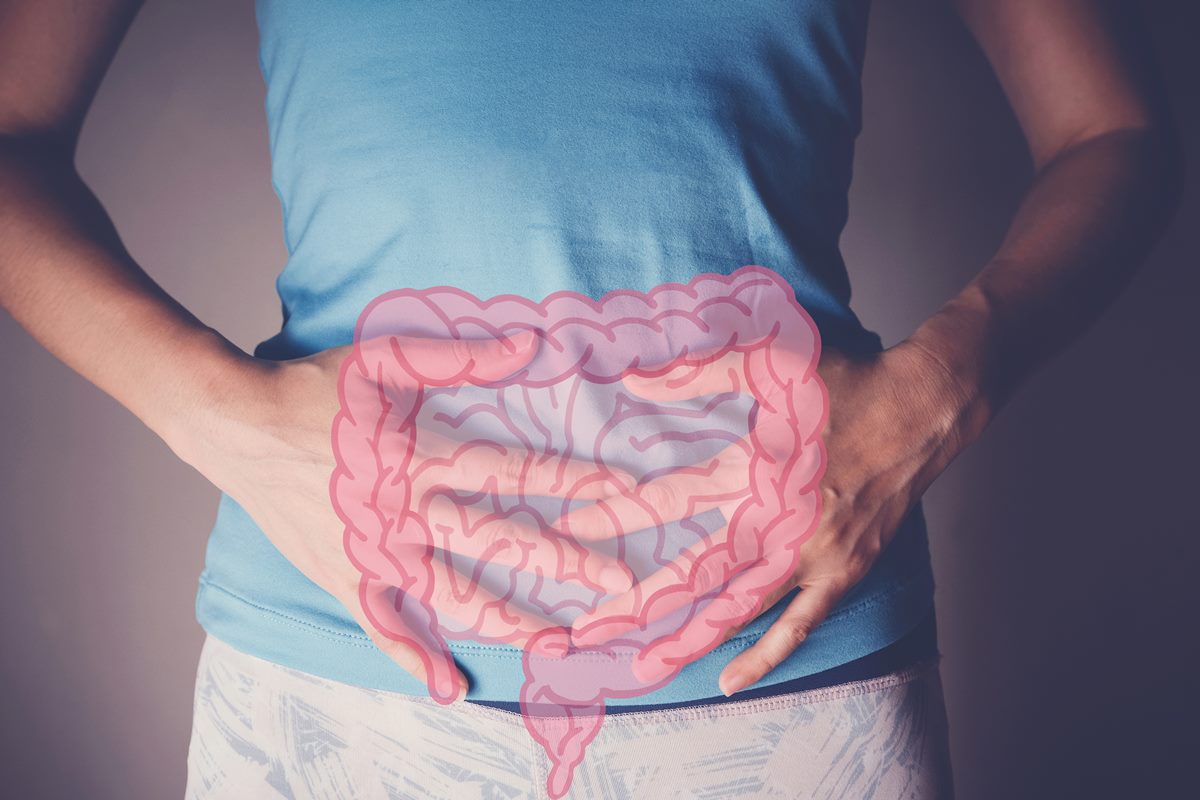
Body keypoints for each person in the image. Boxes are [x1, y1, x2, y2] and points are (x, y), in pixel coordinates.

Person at [0, 1, 1179, 798]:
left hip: (785, 675)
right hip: (349, 676)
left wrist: (932, 392)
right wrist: (230, 425)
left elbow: (1112, 128)